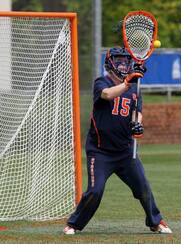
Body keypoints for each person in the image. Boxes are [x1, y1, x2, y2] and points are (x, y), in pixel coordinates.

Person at [63, 47, 172, 235]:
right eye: (118, 60)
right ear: (109, 63)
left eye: (125, 60)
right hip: (100, 151)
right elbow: (107, 94)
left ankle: (155, 221)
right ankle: (73, 224)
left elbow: (137, 112)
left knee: (143, 188)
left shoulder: (134, 87)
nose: (123, 64)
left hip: (125, 151)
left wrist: (137, 125)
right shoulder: (101, 82)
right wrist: (128, 83)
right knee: (95, 191)